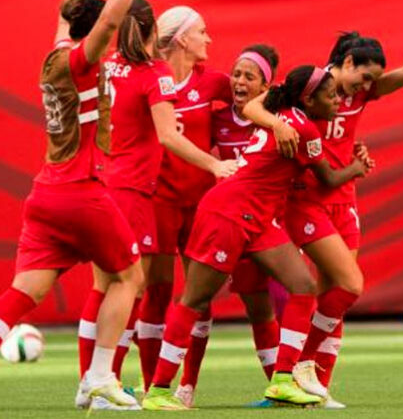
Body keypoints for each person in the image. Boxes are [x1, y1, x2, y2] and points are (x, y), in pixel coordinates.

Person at [0, 0, 156, 417]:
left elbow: (68, 26)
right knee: (129, 277)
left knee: (26, 290)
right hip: (81, 190)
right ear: (96, 29)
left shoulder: (56, 55)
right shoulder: (82, 61)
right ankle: (101, 375)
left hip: (45, 193)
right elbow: (107, 24)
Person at [141, 65, 371, 410]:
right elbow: (327, 180)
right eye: (330, 95)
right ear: (308, 99)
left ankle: (282, 381)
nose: (338, 100)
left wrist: (277, 122)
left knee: (303, 287)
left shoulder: (282, 115)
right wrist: (357, 168)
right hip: (228, 214)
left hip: (257, 218)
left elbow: (256, 108)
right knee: (194, 300)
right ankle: (158, 391)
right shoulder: (303, 128)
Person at [244, 21, 403, 407]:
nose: (365, 86)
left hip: (344, 199)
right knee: (345, 285)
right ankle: (299, 367)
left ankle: (317, 386)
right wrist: (278, 125)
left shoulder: (362, 92)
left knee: (338, 296)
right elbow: (253, 106)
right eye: (364, 76)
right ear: (348, 61)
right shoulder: (312, 85)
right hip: (307, 198)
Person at [75, 4, 238, 398]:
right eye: (202, 30)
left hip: (172, 197)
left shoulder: (208, 82)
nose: (209, 38)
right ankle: (113, 380)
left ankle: (170, 384)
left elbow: (251, 102)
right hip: (145, 194)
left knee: (140, 287)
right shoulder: (152, 75)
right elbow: (167, 136)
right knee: (138, 285)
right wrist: (216, 165)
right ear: (178, 37)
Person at [172, 44, 284, 408]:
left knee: (261, 309)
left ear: (266, 85)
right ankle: (183, 386)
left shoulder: (277, 121)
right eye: (236, 74)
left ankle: (278, 388)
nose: (238, 81)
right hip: (221, 226)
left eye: (249, 76)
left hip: (258, 225)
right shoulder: (216, 119)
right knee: (197, 301)